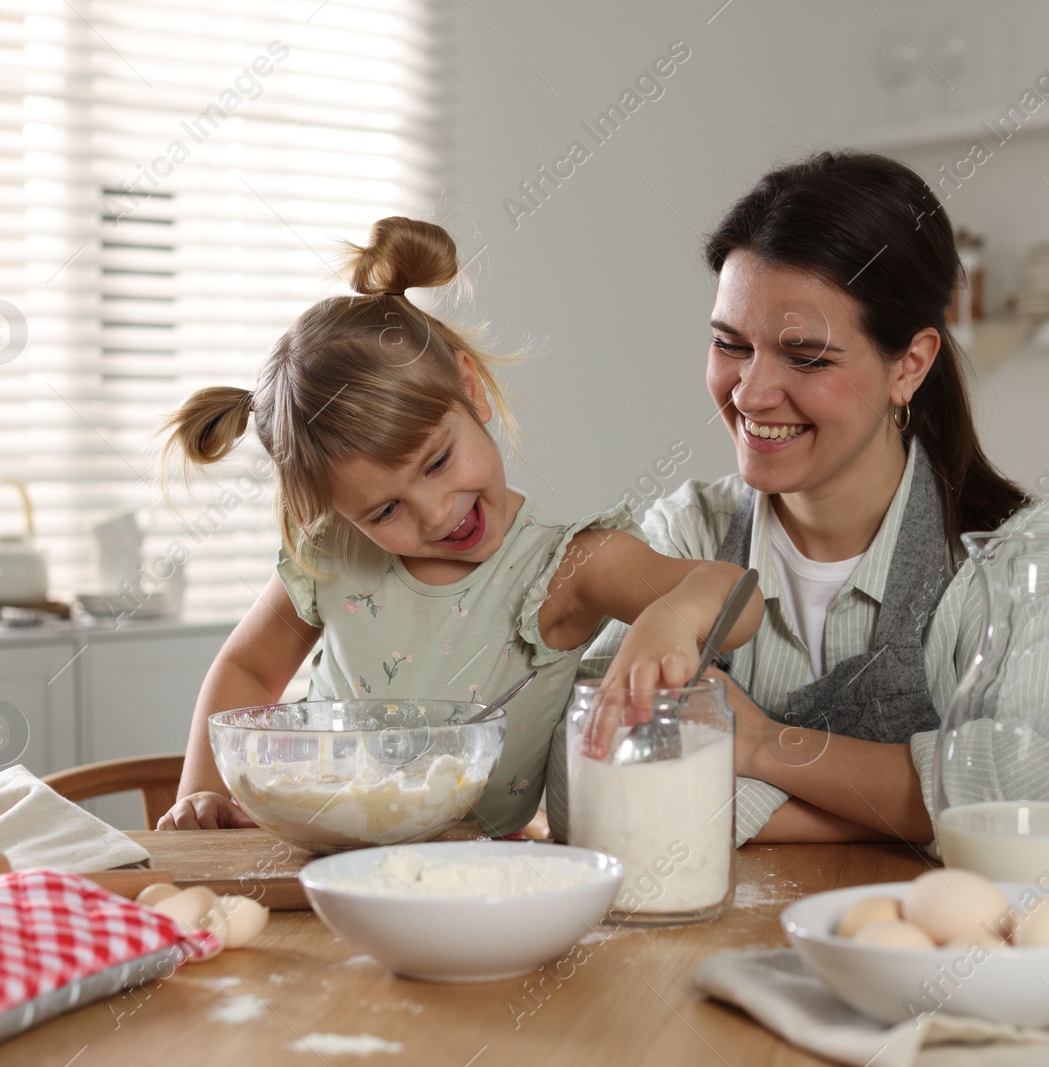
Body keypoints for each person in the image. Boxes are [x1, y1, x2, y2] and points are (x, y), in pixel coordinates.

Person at [157, 216, 763, 834]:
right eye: (384, 511)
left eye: (438, 462)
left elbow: (739, 597)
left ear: (471, 392)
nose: (436, 511)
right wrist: (202, 793)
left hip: (471, 878)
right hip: (324, 851)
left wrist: (672, 616)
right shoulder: (334, 554)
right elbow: (250, 669)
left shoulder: (567, 567)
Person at [569, 151, 1049, 847]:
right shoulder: (685, 534)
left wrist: (757, 747)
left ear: (911, 364)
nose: (749, 393)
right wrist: (899, 813)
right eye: (729, 344)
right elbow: (584, 785)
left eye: (805, 356)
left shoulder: (1009, 554)